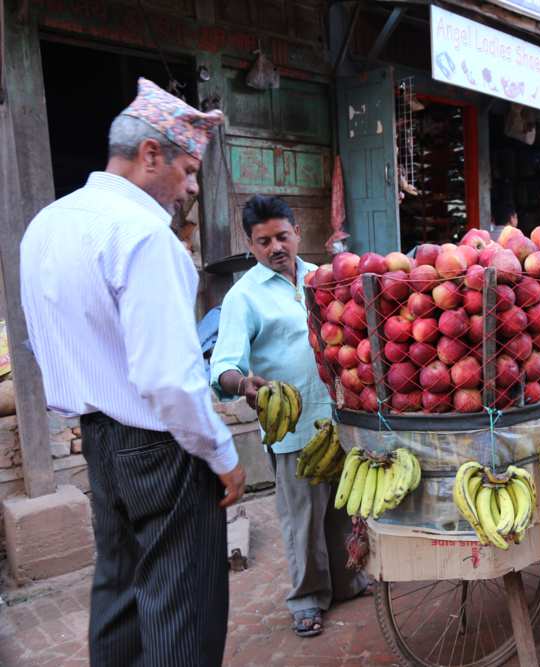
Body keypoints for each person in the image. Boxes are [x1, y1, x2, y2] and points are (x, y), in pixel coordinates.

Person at [19, 78, 245, 666]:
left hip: (101, 442)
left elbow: (43, 341)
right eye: (190, 170)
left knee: (118, 594)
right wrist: (223, 456)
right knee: (182, 611)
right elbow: (169, 378)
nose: (191, 188)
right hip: (161, 448)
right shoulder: (144, 235)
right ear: (151, 155)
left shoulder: (47, 223)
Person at [210, 195, 368, 638]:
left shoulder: (323, 279)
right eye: (264, 241)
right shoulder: (244, 297)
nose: (276, 246)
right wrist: (242, 385)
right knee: (302, 520)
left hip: (338, 415)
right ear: (251, 245)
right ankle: (306, 598)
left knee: (342, 510)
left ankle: (350, 582)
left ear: (297, 232)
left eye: (282, 236)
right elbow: (223, 364)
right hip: (294, 426)